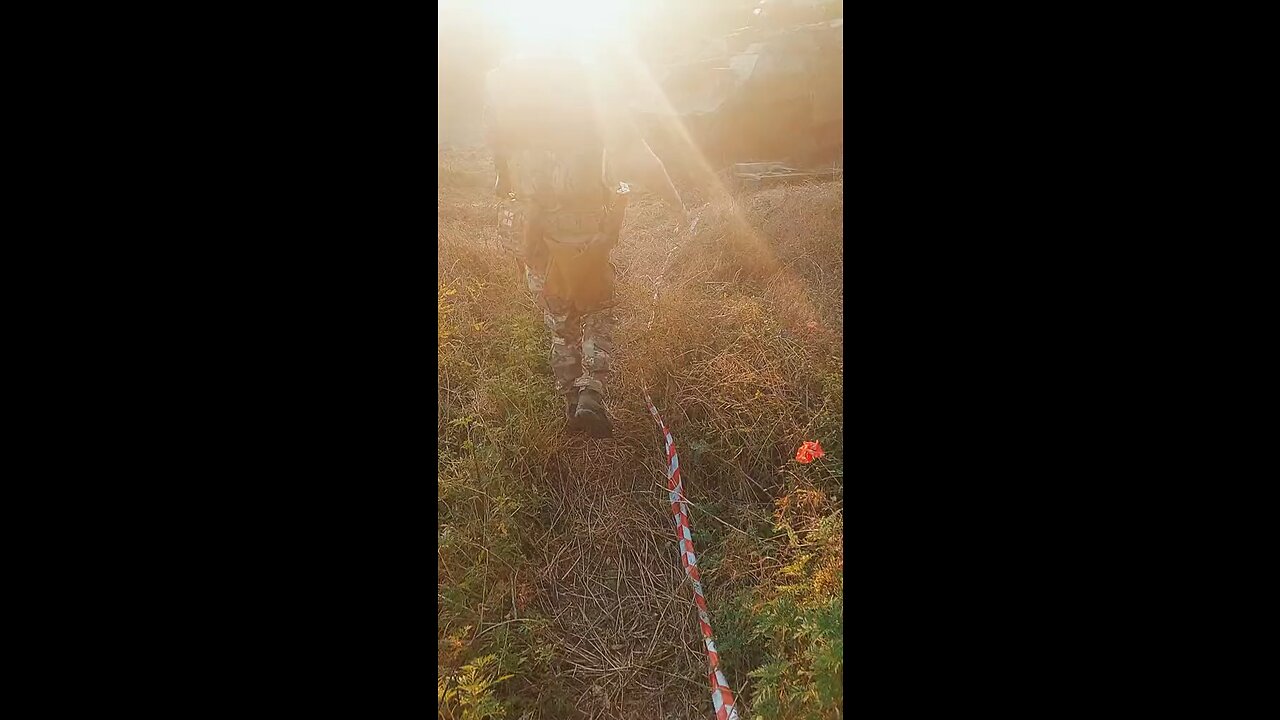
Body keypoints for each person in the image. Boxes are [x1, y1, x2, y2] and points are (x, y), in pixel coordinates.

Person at [483, 50, 689, 438]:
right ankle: (591, 395)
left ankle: (569, 401)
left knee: (559, 321)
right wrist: (670, 206)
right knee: (598, 312)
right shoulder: (596, 114)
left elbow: (506, 185)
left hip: (537, 237)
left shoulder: (519, 118)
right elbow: (633, 170)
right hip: (583, 236)